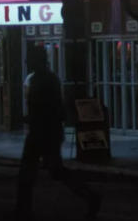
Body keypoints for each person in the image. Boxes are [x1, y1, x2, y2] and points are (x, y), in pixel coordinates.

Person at [15, 45, 100, 221]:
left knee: (32, 171)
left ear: (36, 60)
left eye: (29, 58)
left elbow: (46, 108)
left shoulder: (43, 80)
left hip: (42, 132)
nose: (26, 62)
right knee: (52, 170)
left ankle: (23, 209)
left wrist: (32, 118)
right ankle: (90, 196)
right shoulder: (47, 78)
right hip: (47, 131)